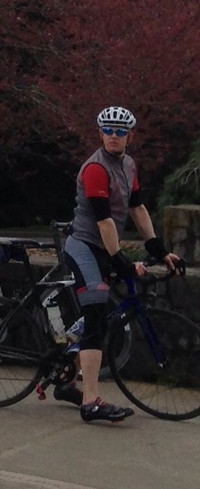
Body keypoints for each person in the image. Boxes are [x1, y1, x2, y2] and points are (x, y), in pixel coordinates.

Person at [60, 105, 184, 424]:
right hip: (85, 244)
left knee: (99, 315)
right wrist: (122, 261)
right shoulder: (96, 169)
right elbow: (104, 222)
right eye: (108, 131)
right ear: (100, 133)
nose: (114, 137)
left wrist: (160, 250)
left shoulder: (128, 164)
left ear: (131, 135)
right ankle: (90, 402)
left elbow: (138, 209)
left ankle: (65, 380)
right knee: (96, 312)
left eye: (120, 131)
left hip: (105, 246)